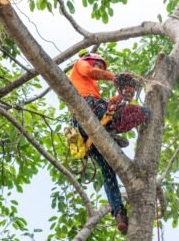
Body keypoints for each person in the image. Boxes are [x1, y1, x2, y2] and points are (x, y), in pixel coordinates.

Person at [68, 51, 150, 235]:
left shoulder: (92, 89)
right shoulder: (80, 66)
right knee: (142, 111)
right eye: (98, 65)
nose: (99, 70)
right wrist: (115, 78)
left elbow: (109, 106)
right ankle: (111, 131)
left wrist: (122, 96)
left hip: (90, 130)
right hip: (88, 111)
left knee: (108, 172)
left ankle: (119, 213)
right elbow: (90, 72)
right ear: (90, 60)